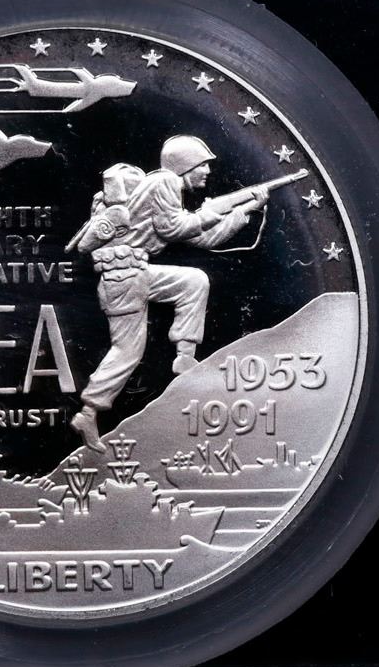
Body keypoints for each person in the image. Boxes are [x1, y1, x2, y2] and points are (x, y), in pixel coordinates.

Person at [70, 136, 265, 450]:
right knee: (127, 351)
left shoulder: (161, 193)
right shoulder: (166, 182)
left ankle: (184, 358)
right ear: (185, 165)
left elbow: (204, 238)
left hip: (136, 273)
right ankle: (88, 412)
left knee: (194, 281)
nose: (207, 172)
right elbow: (174, 228)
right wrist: (210, 211)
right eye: (202, 165)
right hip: (123, 276)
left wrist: (244, 210)